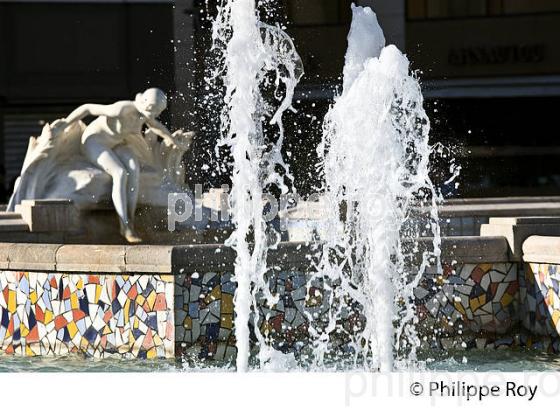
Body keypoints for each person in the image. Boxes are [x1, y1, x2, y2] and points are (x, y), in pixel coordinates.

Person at [52, 88, 191, 243]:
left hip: (117, 144)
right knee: (120, 173)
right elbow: (87, 108)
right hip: (94, 142)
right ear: (143, 102)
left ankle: (129, 221)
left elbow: (157, 126)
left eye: (157, 111)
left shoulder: (144, 114)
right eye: (151, 108)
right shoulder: (122, 108)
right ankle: (124, 224)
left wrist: (173, 140)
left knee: (134, 169)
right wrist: (66, 123)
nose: (152, 114)